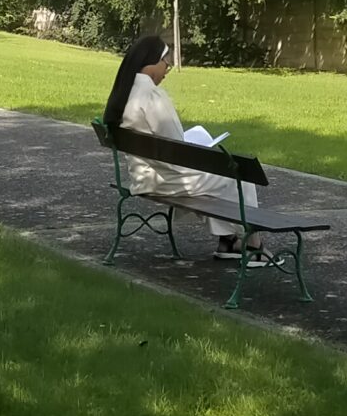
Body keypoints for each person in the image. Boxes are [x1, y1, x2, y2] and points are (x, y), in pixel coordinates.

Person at [102, 35, 260, 258]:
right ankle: (253, 246)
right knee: (240, 177)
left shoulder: (126, 93)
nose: (166, 70)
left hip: (142, 176)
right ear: (153, 62)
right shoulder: (153, 96)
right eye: (166, 63)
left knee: (219, 179)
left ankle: (229, 241)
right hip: (167, 179)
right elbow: (177, 150)